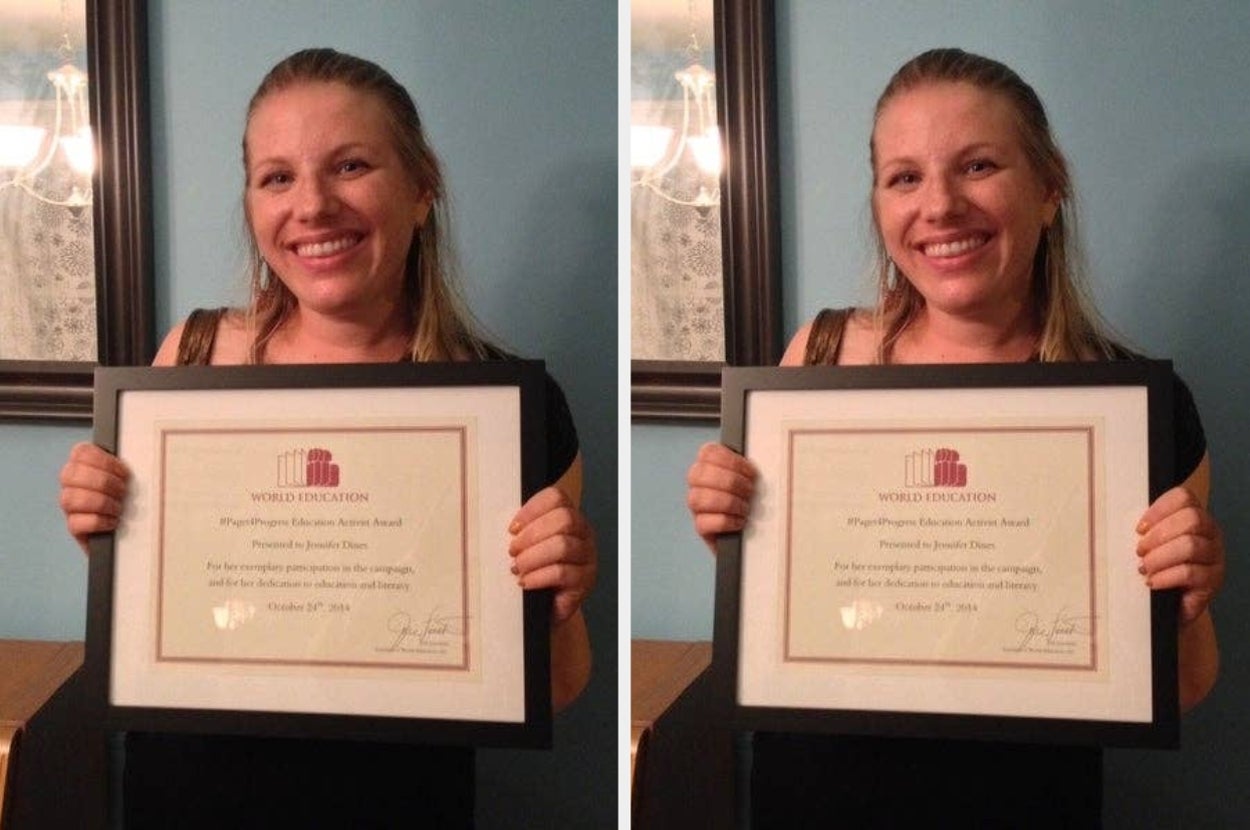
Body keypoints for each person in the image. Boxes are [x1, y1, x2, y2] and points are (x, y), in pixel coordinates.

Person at [57, 48, 596, 829]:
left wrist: (560, 596)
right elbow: (162, 610)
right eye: (277, 177)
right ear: (251, 203)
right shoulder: (192, 361)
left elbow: (554, 687)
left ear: (421, 188)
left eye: (348, 166)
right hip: (185, 795)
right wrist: (104, 534)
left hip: (398, 805)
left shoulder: (509, 410)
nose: (310, 206)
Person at [686, 47, 1222, 828]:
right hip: (811, 797)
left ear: (1048, 188)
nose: (938, 206)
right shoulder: (820, 359)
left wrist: (1189, 596)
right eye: (904, 177)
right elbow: (798, 606)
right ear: (878, 204)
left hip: (1025, 806)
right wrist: (732, 536)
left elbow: (1181, 685)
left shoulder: (1136, 411)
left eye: (976, 166)